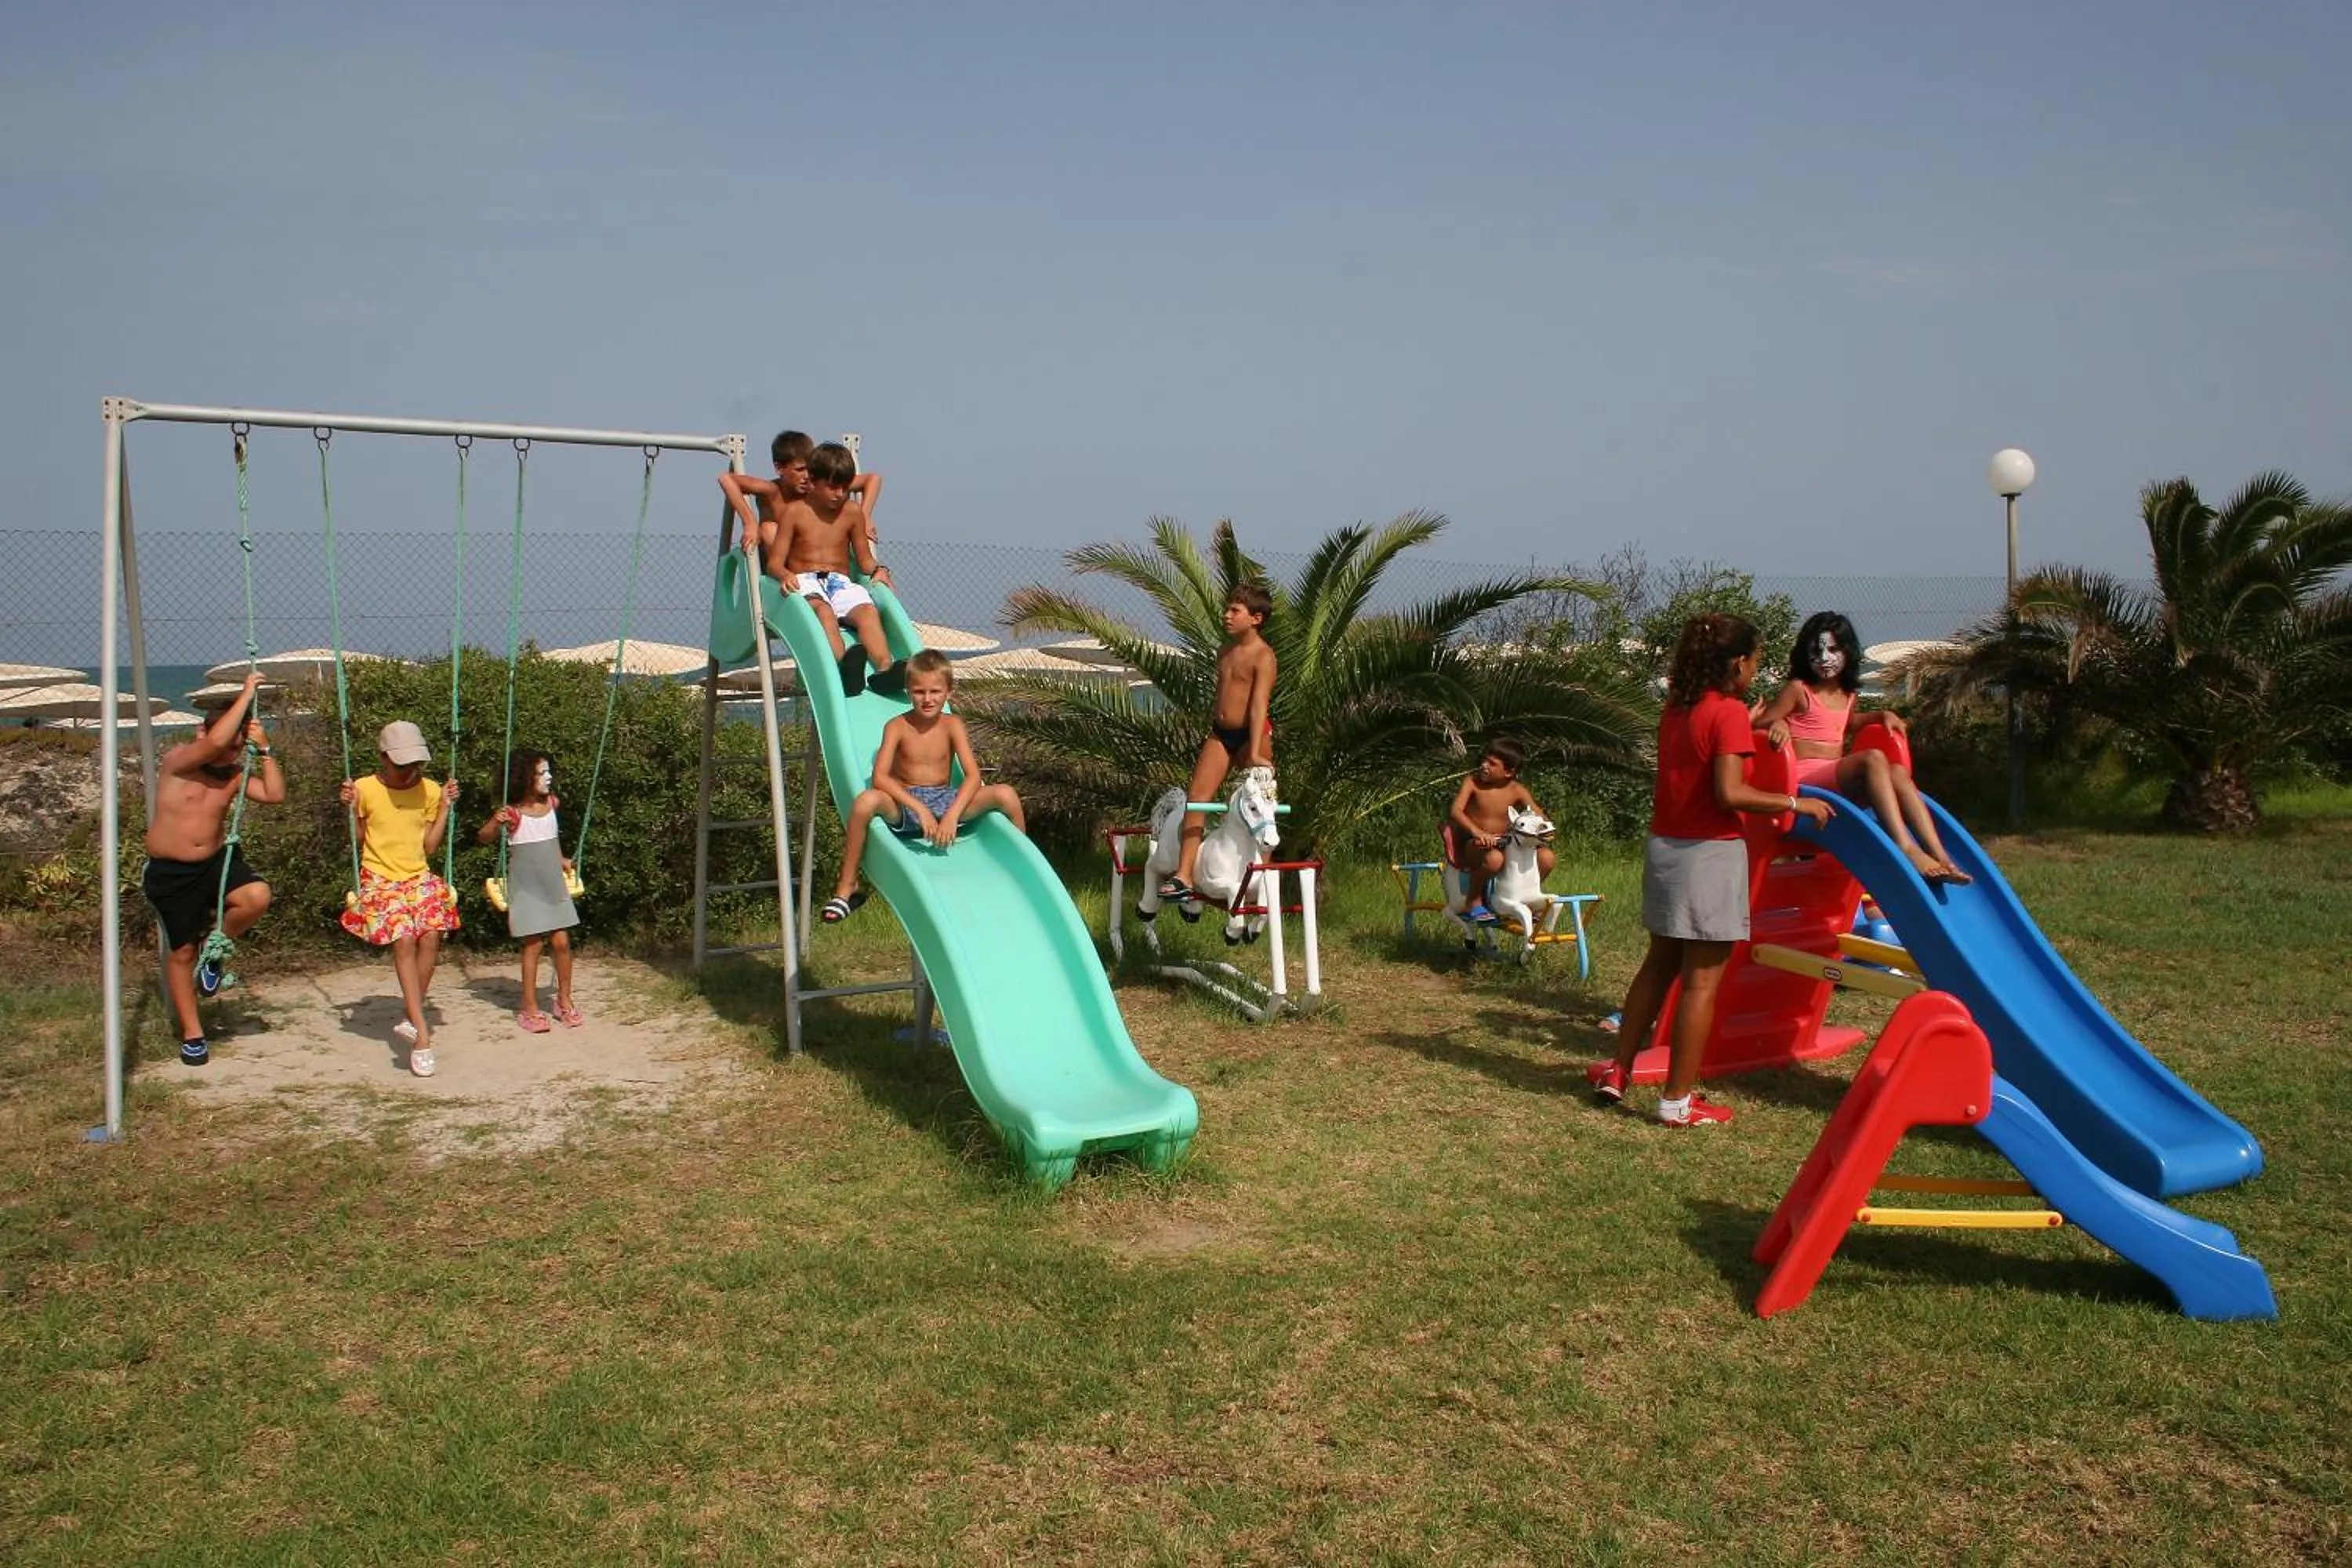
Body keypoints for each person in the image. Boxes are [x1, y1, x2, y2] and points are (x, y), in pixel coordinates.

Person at [1595, 613, 1835, 1127]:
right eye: (1755, 662)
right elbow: (1730, 793)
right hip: (1709, 855)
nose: (1756, 672)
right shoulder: (1726, 714)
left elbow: (1701, 753)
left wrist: (1746, 723)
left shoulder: (1677, 708)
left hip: (1665, 849)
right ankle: (1678, 1102)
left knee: (1657, 965)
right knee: (1701, 983)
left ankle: (1618, 1070)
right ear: (1736, 663)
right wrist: (1794, 803)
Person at [1751, 611, 1969, 884]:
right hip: (1803, 780)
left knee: (1898, 772)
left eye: (1833, 650)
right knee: (1872, 759)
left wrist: (1881, 715)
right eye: (1816, 651)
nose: (1824, 658)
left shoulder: (1848, 695)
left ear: (1848, 651)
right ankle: (1905, 845)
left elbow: (1848, 723)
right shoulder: (1799, 689)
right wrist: (1779, 723)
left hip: (1832, 777)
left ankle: (1941, 856)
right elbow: (1758, 724)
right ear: (1804, 654)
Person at [139, 670, 284, 1067]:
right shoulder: (178, 762)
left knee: (257, 896)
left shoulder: (233, 774)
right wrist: (247, 692)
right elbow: (217, 742)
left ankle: (215, 949)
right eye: (224, 748)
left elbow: (274, 795)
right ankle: (193, 1035)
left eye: (237, 751)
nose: (228, 756)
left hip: (217, 863)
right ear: (201, 734)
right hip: (172, 873)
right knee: (181, 952)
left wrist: (265, 751)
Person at [822, 650, 1026, 920]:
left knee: (1006, 794)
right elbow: (880, 778)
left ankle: (1022, 868)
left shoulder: (953, 724)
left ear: (949, 692)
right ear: (908, 692)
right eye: (919, 692)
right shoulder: (897, 726)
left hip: (945, 799)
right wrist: (920, 809)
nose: (927, 699)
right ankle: (847, 885)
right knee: (865, 801)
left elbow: (972, 776)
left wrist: (952, 816)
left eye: (935, 692)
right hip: (907, 803)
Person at [719, 434, 902, 696]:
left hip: (839, 581)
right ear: (814, 482)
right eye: (833, 487)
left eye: (844, 488)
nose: (840, 494)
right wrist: (784, 574)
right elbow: (775, 563)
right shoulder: (795, 512)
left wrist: (879, 569)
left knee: (868, 612)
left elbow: (864, 560)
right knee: (823, 612)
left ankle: (885, 671)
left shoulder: (851, 512)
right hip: (805, 580)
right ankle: (842, 667)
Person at [338, 720, 461, 1077]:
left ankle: (410, 1015)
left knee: (432, 935)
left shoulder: (430, 790)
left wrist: (445, 809)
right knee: (404, 937)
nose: (410, 772)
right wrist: (350, 809)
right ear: (383, 758)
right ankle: (421, 1033)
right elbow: (359, 839)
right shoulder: (364, 788)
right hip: (379, 877)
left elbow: (430, 846)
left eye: (416, 764)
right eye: (402, 764)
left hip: (417, 875)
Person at [1158, 583, 1277, 903]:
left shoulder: (1264, 656)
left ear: (1256, 618)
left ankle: (1262, 880)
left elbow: (1258, 705)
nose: (1226, 616)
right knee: (1197, 798)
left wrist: (1255, 751)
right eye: (1227, 609)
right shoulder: (1224, 652)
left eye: (1234, 611)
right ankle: (1184, 875)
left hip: (1253, 735)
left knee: (1261, 802)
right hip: (1221, 734)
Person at [475, 748, 583, 1033]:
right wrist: (495, 822)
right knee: (533, 944)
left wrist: (562, 860)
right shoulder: (512, 813)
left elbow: (552, 841)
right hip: (526, 887)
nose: (548, 777)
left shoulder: (552, 804)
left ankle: (564, 999)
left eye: (549, 771)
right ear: (524, 778)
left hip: (551, 883)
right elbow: (483, 837)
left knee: (561, 942)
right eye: (541, 773)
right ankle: (530, 1007)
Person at [1443, 735, 1555, 924]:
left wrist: (1545, 828)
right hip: (1475, 844)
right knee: (1494, 859)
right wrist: (1478, 832)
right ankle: (1473, 900)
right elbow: (1456, 811)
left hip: (1506, 844)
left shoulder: (1516, 790)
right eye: (1484, 760)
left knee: (1547, 858)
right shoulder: (1472, 783)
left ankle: (1524, 899)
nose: (1484, 766)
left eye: (1492, 764)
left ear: (1509, 772)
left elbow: (1537, 813)